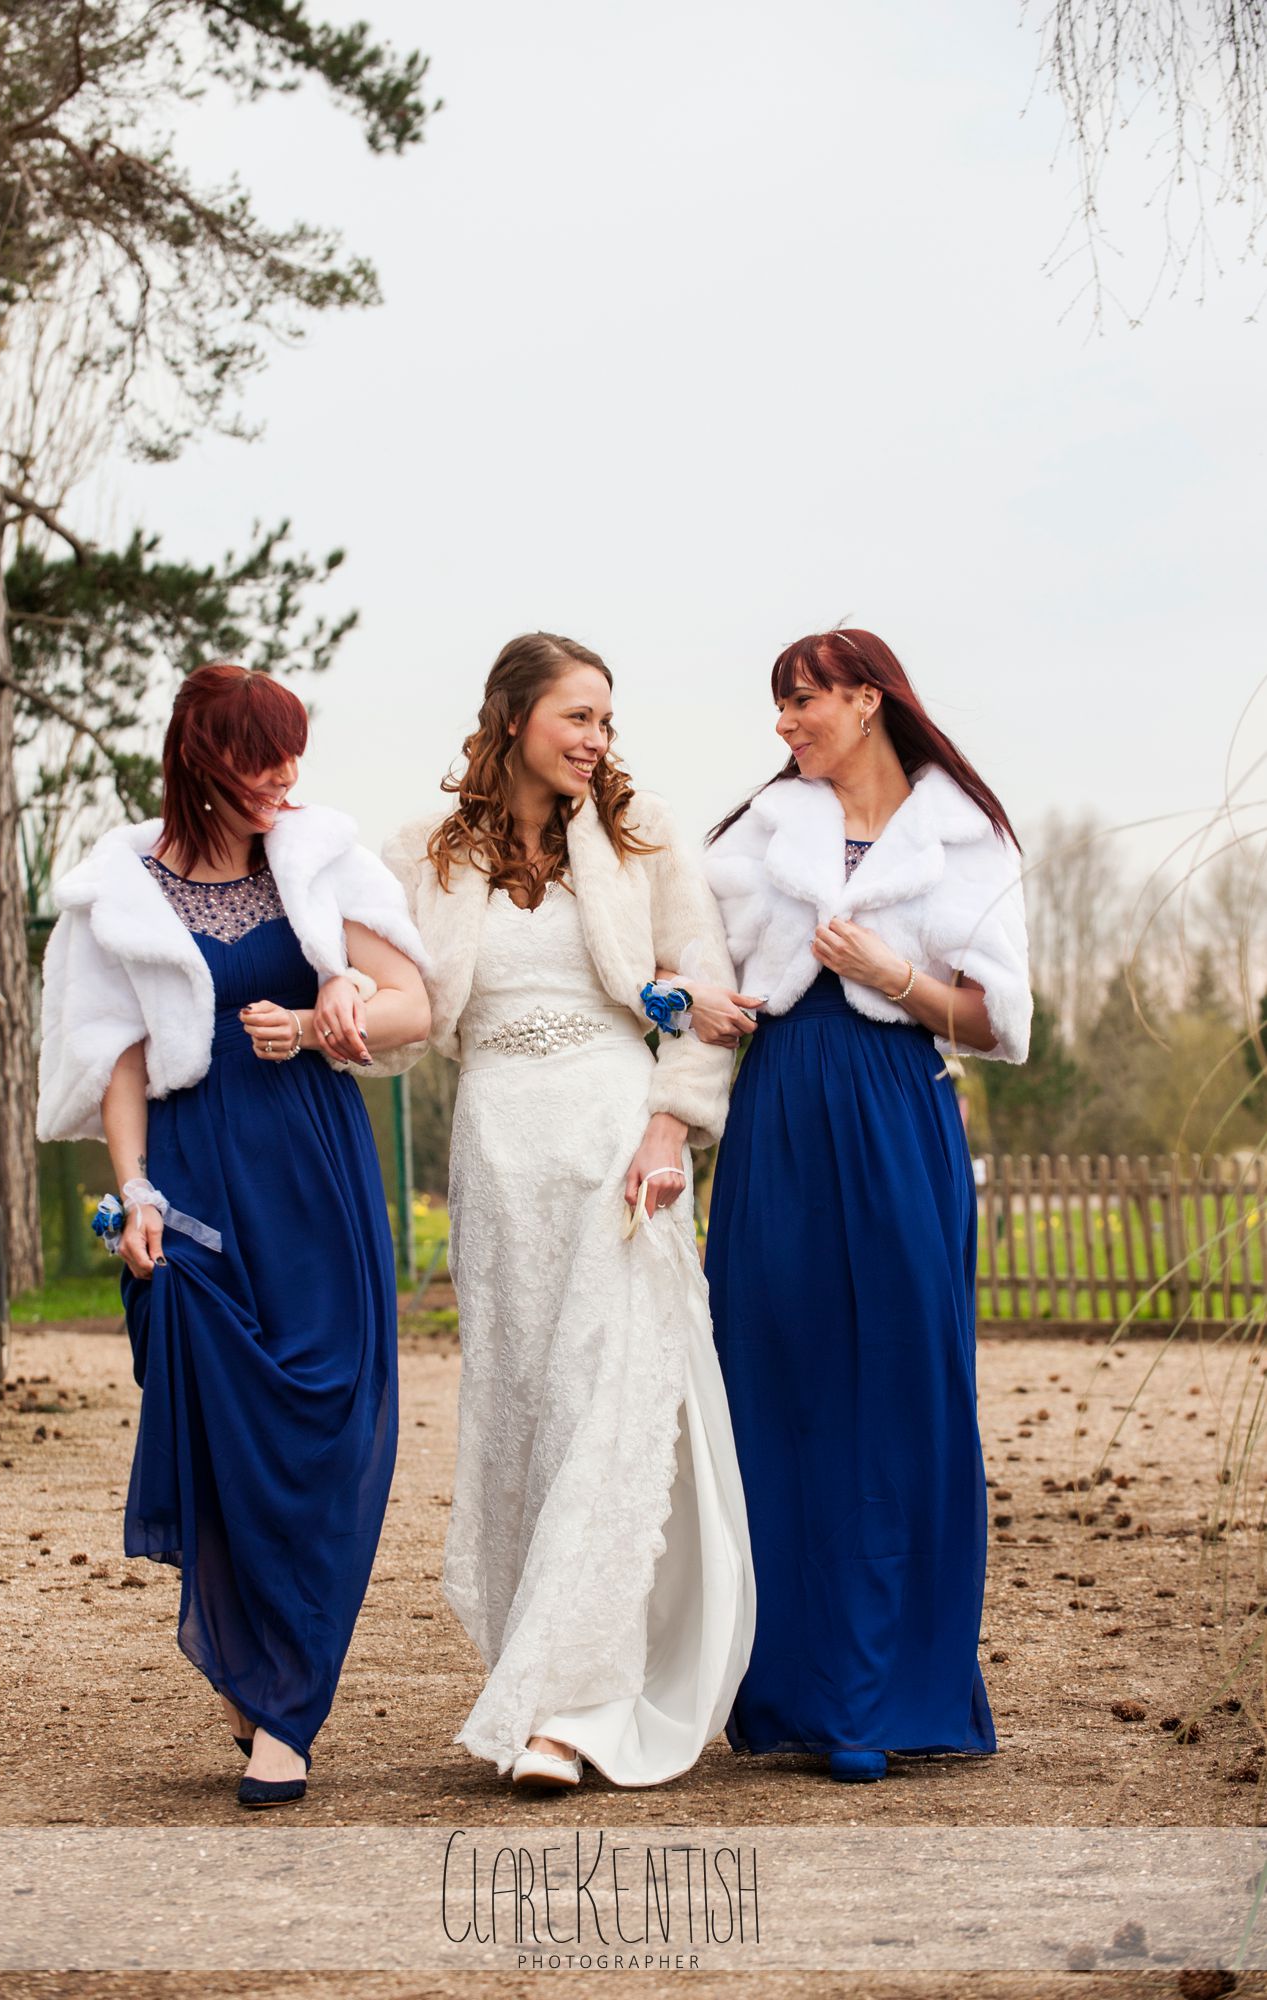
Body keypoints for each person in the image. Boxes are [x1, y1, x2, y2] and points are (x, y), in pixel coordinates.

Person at [37, 663, 430, 1808]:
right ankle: (264, 1678)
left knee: (323, 1417)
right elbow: (115, 1057)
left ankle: (282, 1693)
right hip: (193, 1174)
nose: (282, 775)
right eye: (260, 756)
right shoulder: (118, 890)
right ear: (199, 758)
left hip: (313, 1168)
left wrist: (324, 1013)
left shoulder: (319, 856)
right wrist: (134, 1190)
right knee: (219, 1422)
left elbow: (413, 999)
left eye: (291, 752)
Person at [381, 632, 755, 1790]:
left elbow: (707, 999)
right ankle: (534, 1671)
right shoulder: (424, 853)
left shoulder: (643, 842)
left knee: (610, 1403)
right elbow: (393, 1012)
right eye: (574, 715)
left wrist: (667, 1130)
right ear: (510, 717)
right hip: (498, 1149)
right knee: (522, 1405)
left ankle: (575, 1709)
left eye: (604, 719)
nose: (596, 738)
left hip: (614, 1143)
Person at [697, 627, 1031, 1783]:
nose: (784, 722)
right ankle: (793, 1690)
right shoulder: (751, 838)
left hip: (898, 1111)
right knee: (774, 1374)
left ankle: (893, 1691)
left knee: (903, 1380)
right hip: (779, 1113)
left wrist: (895, 977)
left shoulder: (966, 835)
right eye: (778, 703)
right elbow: (695, 975)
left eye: (802, 700)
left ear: (868, 699)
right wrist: (694, 1004)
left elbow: (996, 1019)